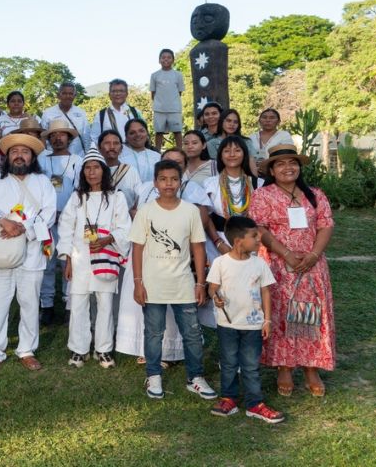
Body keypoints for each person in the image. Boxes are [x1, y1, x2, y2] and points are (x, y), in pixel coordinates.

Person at [249, 144, 335, 398]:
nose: (288, 167)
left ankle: (310, 367)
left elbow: (326, 225)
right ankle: (284, 367)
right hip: (278, 264)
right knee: (281, 314)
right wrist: (286, 253)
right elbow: (260, 229)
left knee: (308, 313)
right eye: (281, 164)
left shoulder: (315, 195)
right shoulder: (263, 196)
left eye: (292, 163)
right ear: (271, 171)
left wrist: (313, 255)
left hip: (311, 264)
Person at [130, 159, 216, 401]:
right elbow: (137, 249)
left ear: (181, 182)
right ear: (155, 182)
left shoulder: (190, 211)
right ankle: (153, 374)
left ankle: (195, 377)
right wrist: (138, 282)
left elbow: (198, 248)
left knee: (192, 333)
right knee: (153, 333)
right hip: (152, 284)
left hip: (183, 283)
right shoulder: (146, 211)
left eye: (174, 179)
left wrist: (200, 283)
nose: (169, 184)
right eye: (163, 179)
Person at [0, 132, 57, 372]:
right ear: (7, 156)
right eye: (14, 151)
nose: (19, 156)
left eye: (24, 152)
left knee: (30, 302)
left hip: (32, 252)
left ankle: (27, 350)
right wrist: (3, 222)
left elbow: (49, 213)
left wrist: (23, 229)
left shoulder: (42, 182)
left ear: (32, 157)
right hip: (0, 249)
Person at [207, 216, 286, 423]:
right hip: (227, 324)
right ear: (238, 241)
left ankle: (254, 404)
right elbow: (212, 288)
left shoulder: (259, 264)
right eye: (254, 236)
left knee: (251, 366)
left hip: (253, 325)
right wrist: (215, 297)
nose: (259, 239)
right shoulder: (220, 263)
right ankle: (228, 399)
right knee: (229, 363)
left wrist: (267, 321)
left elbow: (266, 292)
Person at [58, 148, 130, 369]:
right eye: (87, 168)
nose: (91, 172)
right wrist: (68, 260)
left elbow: (125, 227)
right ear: (83, 173)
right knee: (78, 304)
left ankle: (103, 349)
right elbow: (66, 228)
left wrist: (108, 239)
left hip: (105, 255)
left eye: (96, 167)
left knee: (105, 304)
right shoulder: (76, 197)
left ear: (103, 170)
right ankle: (79, 349)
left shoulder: (116, 197)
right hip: (80, 257)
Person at [37, 119, 83, 326]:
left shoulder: (77, 161)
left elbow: (79, 189)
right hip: (45, 224)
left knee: (68, 262)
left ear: (69, 138)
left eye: (62, 134)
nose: (57, 138)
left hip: (68, 222)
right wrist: (47, 213)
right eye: (53, 135)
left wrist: (66, 214)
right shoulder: (41, 159)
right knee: (46, 261)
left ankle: (68, 304)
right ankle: (46, 304)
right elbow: (37, 188)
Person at [203, 136, 258, 255]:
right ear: (220, 156)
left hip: (251, 243)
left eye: (237, 150)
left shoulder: (257, 183)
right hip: (218, 244)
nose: (232, 154)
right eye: (227, 151)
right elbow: (206, 217)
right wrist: (218, 243)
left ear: (244, 154)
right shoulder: (210, 184)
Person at [88, 79, 144, 144]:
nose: (118, 94)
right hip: (111, 149)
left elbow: (143, 133)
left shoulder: (135, 112)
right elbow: (94, 138)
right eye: (114, 91)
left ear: (126, 94)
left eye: (121, 91)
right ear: (109, 94)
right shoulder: (101, 115)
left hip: (133, 149)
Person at [41, 82, 90, 155]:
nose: (67, 96)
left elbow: (86, 137)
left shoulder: (81, 112)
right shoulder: (48, 113)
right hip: (54, 157)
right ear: (58, 95)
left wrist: (88, 155)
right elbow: (43, 138)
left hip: (79, 156)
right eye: (64, 93)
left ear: (75, 95)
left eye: (71, 94)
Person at [150, 48, 185, 149]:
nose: (166, 59)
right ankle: (157, 152)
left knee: (177, 131)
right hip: (159, 109)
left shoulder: (178, 75)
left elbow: (179, 92)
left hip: (174, 109)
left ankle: (180, 151)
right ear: (159, 60)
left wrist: (172, 102)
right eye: (163, 57)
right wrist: (159, 103)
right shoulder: (154, 75)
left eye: (169, 57)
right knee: (159, 132)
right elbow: (153, 92)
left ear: (173, 60)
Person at [97, 129, 141, 209]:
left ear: (121, 148)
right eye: (107, 143)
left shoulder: (130, 171)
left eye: (116, 143)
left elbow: (140, 196)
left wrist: (133, 211)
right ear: (99, 148)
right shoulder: (93, 172)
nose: (112, 147)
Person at [207, 108, 259, 173]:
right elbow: (216, 164)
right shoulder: (212, 143)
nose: (232, 124)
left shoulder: (246, 141)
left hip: (246, 174)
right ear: (221, 121)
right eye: (228, 121)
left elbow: (254, 161)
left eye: (235, 122)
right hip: (221, 175)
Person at [121, 119, 162, 183]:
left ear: (147, 134)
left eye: (141, 131)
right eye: (132, 133)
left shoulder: (157, 156)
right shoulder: (119, 155)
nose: (137, 134)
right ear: (126, 137)